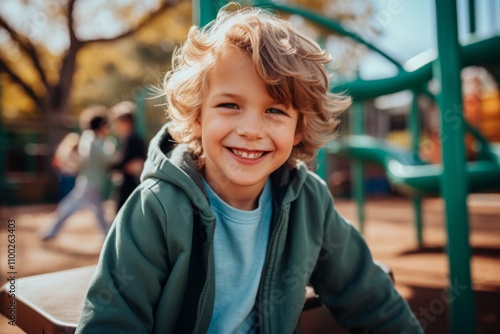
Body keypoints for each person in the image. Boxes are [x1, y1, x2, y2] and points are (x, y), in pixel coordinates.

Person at [77, 4, 423, 333]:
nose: (251, 130)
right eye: (229, 105)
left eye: (275, 111)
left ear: (298, 127)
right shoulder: (157, 209)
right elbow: (112, 320)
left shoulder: (309, 202)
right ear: (198, 117)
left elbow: (370, 297)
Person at [41, 106, 116, 241]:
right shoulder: (95, 140)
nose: (108, 129)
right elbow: (106, 159)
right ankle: (51, 231)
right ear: (101, 125)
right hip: (91, 182)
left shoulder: (88, 138)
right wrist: (111, 147)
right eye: (106, 125)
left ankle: (107, 235)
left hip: (89, 181)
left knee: (98, 211)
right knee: (70, 206)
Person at [110, 101, 147, 211]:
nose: (115, 126)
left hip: (130, 186)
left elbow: (135, 165)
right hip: (127, 184)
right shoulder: (128, 138)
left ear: (124, 121)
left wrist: (112, 165)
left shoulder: (133, 139)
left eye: (117, 122)